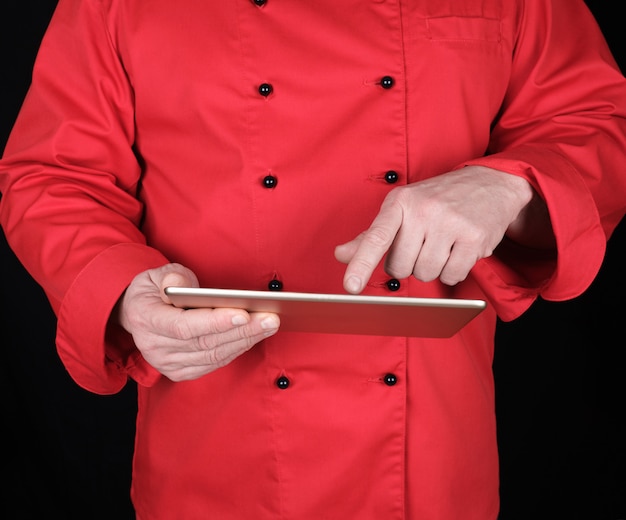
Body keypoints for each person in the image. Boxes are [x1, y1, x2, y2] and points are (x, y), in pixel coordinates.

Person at [1, 0, 625, 518]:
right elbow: (55, 176)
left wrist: (510, 186)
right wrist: (125, 291)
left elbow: (598, 124)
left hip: (432, 466)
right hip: (214, 461)